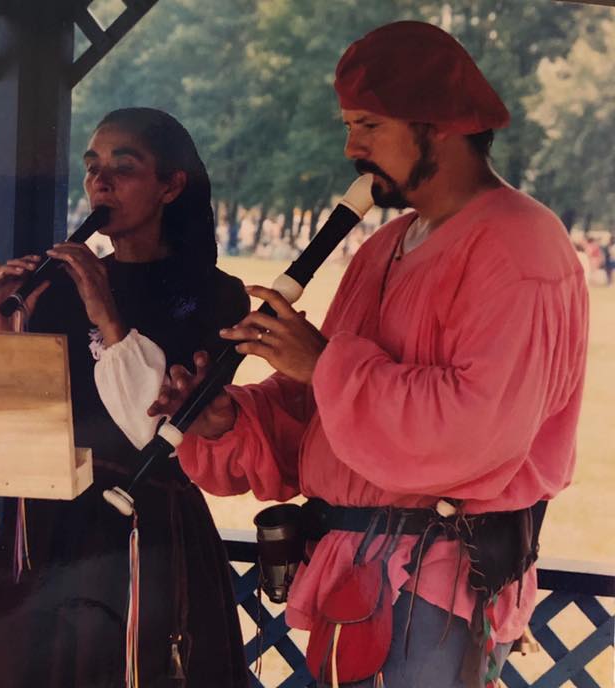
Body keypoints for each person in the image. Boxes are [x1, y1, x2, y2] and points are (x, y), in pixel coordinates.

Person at [151, 21, 588, 688]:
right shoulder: (385, 246)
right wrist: (228, 418)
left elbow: (473, 433)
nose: (352, 147)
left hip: (434, 587)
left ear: (438, 126)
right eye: (349, 126)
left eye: (369, 126)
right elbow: (319, 414)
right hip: (357, 578)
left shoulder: (519, 245)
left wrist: (325, 363)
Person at [0, 108, 250, 687]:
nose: (100, 183)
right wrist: (3, 329)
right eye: (92, 168)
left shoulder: (214, 296)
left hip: (148, 531)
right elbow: (22, 422)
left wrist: (105, 312)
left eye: (123, 168)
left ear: (171, 185)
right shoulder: (55, 286)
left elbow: (156, 427)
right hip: (49, 527)